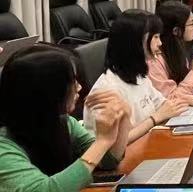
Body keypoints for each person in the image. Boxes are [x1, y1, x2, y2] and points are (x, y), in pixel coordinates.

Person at [0, 45, 129, 191]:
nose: (79, 87)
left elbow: (107, 162)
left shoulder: (65, 123)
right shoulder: (3, 147)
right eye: (72, 81)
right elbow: (46, 189)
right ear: (47, 92)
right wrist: (102, 141)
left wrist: (124, 116)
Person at [83, 11, 188, 144]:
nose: (160, 43)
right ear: (136, 42)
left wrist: (187, 103)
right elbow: (114, 145)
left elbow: (163, 105)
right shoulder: (107, 89)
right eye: (155, 37)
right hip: (126, 154)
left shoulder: (139, 75)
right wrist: (154, 119)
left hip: (146, 144)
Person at [151, 1, 193, 104]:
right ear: (176, 30)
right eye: (192, 24)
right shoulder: (153, 60)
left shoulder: (177, 49)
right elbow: (170, 100)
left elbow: (188, 88)